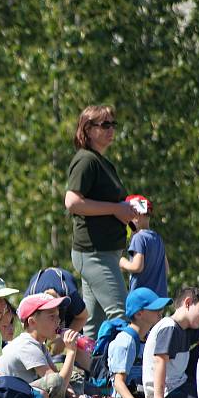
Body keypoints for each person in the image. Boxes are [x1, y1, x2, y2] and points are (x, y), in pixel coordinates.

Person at [64, 105, 137, 339]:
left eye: (112, 124)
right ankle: (124, 375)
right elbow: (72, 202)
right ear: (87, 129)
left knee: (94, 325)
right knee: (122, 317)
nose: (111, 129)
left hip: (104, 253)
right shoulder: (86, 160)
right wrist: (117, 209)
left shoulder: (101, 161)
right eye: (104, 125)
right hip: (94, 254)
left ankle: (86, 373)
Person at [0, 293, 119, 398]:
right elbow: (57, 383)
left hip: (33, 396)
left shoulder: (39, 345)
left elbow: (60, 379)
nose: (59, 321)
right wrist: (71, 351)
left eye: (58, 316)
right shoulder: (26, 345)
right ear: (32, 322)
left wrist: (74, 396)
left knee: (74, 377)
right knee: (55, 380)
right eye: (52, 317)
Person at [142, 286, 199, 398]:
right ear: (188, 303)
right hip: (168, 392)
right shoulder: (169, 327)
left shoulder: (186, 329)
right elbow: (159, 361)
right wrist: (158, 396)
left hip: (180, 384)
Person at [108, 288, 172, 398]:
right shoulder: (125, 341)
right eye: (155, 308)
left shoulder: (149, 337)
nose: (160, 312)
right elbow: (118, 382)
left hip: (142, 395)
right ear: (139, 314)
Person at [119, 194, 169, 297]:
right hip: (158, 297)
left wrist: (122, 262)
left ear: (136, 216)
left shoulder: (138, 238)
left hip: (141, 299)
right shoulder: (157, 238)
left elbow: (137, 267)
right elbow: (166, 269)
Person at [24, 267, 88, 334]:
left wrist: (61, 342)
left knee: (70, 338)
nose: (58, 320)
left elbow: (82, 317)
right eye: (51, 316)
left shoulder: (70, 294)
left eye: (57, 314)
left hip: (67, 303)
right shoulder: (29, 299)